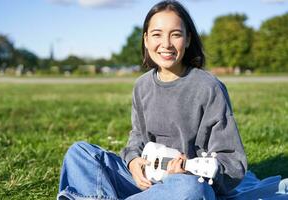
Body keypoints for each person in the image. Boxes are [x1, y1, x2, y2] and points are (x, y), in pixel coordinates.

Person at [57, 1, 247, 199]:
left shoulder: (209, 87)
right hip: (144, 181)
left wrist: (189, 172)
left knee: (191, 189)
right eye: (157, 34)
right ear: (146, 40)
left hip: (184, 185)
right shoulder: (142, 85)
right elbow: (137, 136)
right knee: (79, 153)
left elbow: (232, 163)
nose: (166, 44)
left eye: (176, 34)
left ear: (188, 39)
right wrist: (132, 162)